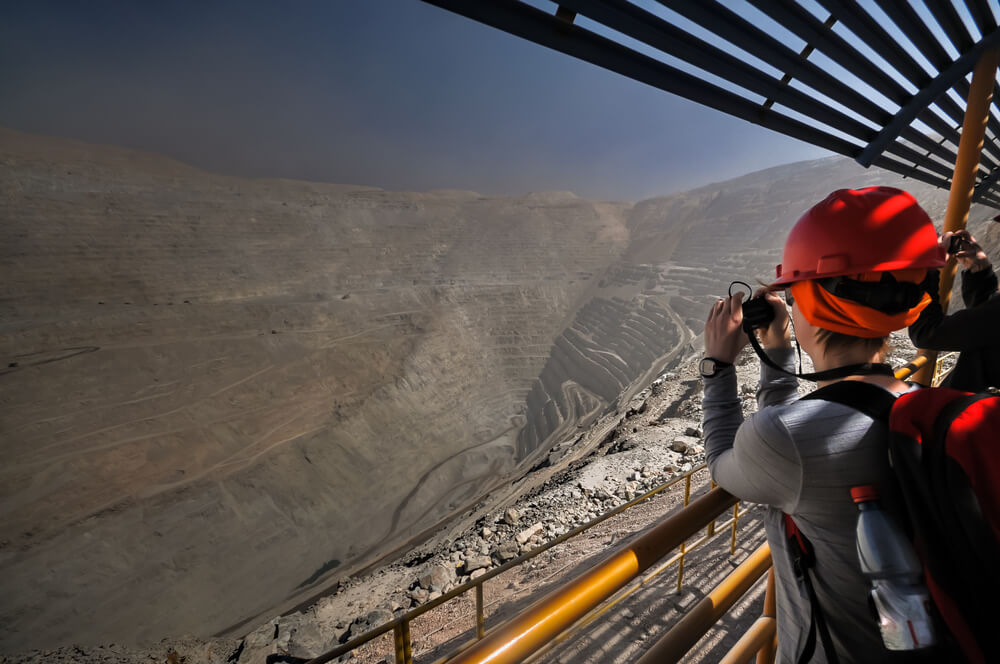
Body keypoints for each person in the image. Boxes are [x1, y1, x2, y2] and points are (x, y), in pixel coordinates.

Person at [700, 187, 946, 663]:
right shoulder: (925, 405)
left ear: (812, 302)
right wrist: (776, 358)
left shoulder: (786, 440)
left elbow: (722, 462)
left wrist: (718, 365)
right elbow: (794, 426)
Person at [908, 229, 1000, 392]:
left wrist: (929, 270)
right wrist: (980, 270)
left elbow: (927, 332)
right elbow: (985, 326)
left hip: (969, 410)